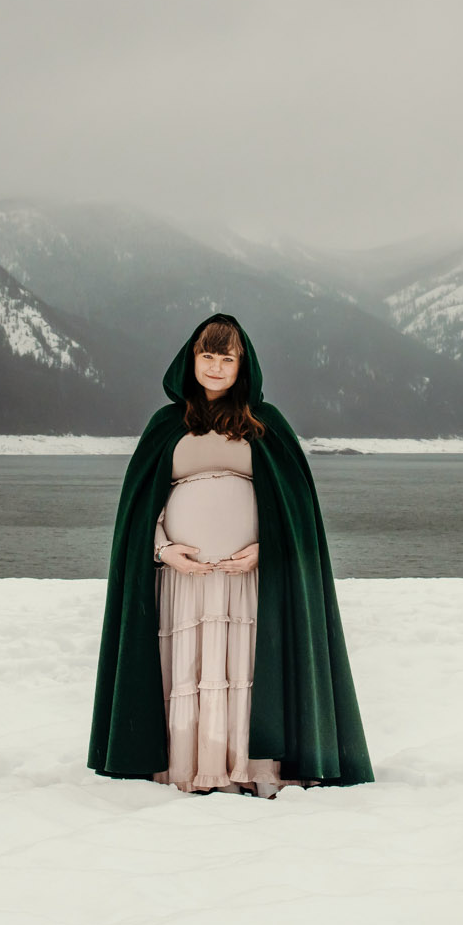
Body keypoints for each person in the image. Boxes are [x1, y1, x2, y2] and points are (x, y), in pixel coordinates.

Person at [88, 313, 373, 794]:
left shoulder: (267, 425)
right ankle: (186, 769)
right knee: (190, 670)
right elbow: (140, 512)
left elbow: (294, 509)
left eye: (227, 358)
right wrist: (162, 550)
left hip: (252, 579)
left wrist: (269, 548)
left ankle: (251, 770)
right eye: (207, 356)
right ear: (191, 360)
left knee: (246, 671)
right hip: (182, 582)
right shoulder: (165, 426)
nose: (216, 368)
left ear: (243, 365)